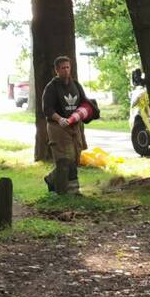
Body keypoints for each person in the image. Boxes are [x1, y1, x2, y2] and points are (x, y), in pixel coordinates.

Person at [41, 56, 89, 194]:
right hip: (58, 126)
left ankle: (52, 179)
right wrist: (59, 119)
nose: (66, 70)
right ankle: (66, 191)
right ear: (57, 70)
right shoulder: (51, 87)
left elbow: (84, 103)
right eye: (63, 68)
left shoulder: (76, 85)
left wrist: (82, 114)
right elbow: (47, 109)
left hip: (74, 125)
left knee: (75, 157)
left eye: (68, 67)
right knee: (65, 159)